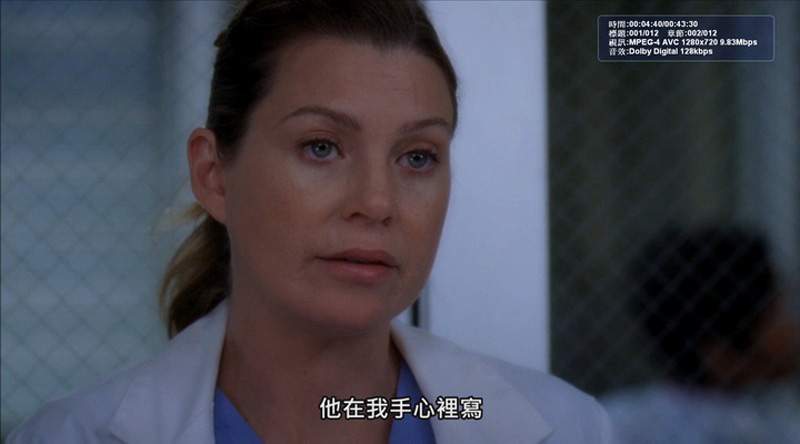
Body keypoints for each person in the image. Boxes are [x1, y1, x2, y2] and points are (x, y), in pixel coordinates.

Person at [7, 1, 612, 442]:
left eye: (417, 157)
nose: (376, 202)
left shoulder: (565, 429)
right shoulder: (68, 437)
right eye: (321, 147)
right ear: (214, 175)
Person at [603, 226, 800, 444]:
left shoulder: (615, 423)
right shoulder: (766, 431)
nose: (793, 328)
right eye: (777, 313)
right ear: (720, 355)